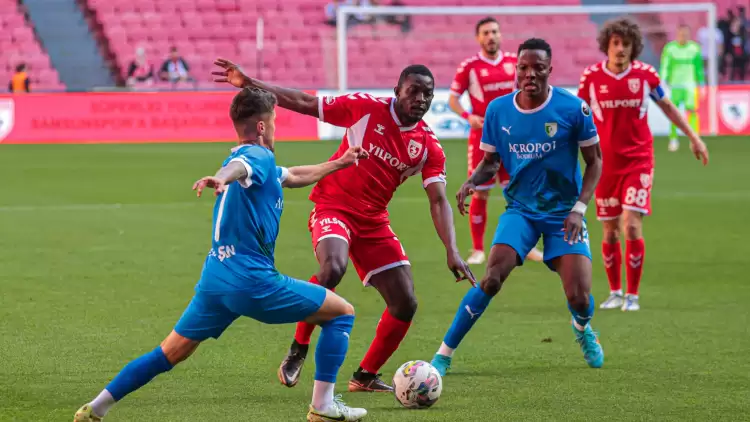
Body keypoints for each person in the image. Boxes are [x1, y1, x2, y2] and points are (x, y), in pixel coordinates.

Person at [73, 87, 370, 422]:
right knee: (341, 313)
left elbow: (294, 175)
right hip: (252, 281)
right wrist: (221, 177)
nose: (275, 128)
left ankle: (96, 407)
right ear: (262, 126)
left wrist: (340, 163)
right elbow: (240, 167)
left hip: (216, 279)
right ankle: (323, 406)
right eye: (274, 121)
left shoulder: (260, 167)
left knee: (169, 352)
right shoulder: (256, 156)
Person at [211, 58, 474, 393]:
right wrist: (251, 82)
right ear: (397, 91)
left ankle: (365, 376)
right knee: (333, 267)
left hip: (374, 221)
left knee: (405, 302)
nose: (420, 99)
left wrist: (452, 250)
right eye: (413, 91)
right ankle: (299, 347)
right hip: (333, 206)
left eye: (428, 94)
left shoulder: (428, 146)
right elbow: (305, 102)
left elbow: (438, 201)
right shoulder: (366, 108)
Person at [430, 37, 605, 376]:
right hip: (521, 211)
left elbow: (595, 161)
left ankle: (582, 328)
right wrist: (472, 181)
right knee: (492, 278)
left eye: (538, 68)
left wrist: (579, 209)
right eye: (523, 68)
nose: (530, 74)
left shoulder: (573, 109)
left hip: (564, 214)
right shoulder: (498, 110)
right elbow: (491, 162)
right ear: (516, 69)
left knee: (580, 298)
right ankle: (444, 353)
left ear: (550, 70)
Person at [578, 18, 709, 312]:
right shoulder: (591, 78)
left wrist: (694, 137)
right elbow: (578, 115)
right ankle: (615, 292)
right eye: (615, 43)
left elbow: (668, 107)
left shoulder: (646, 75)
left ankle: (633, 296)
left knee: (632, 225)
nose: (620, 49)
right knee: (610, 230)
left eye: (626, 44)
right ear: (606, 46)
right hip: (603, 164)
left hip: (638, 160)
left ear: (634, 47)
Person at [449, 17, 543, 265]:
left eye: (494, 32)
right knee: (480, 193)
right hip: (483, 139)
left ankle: (526, 246)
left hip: (513, 140)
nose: (491, 36)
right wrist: (468, 117)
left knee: (519, 193)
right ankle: (478, 249)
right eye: (486, 33)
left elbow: (531, 93)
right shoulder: (469, 67)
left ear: (500, 35)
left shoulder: (515, 63)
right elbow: (453, 100)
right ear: (478, 38)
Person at [661, 24, 705, 152]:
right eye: (681, 34)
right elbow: (665, 66)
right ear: (677, 34)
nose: (683, 36)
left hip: (690, 85)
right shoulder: (670, 48)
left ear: (689, 35)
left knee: (692, 112)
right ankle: (673, 139)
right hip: (675, 85)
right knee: (674, 113)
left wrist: (701, 84)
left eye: (685, 34)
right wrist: (663, 81)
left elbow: (699, 68)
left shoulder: (695, 48)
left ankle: (694, 140)